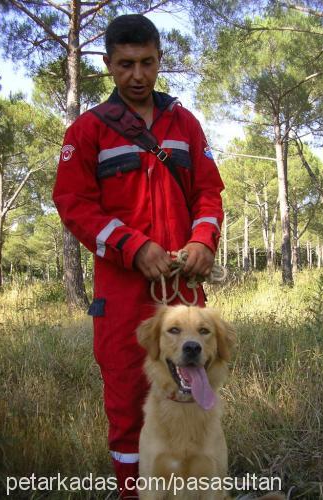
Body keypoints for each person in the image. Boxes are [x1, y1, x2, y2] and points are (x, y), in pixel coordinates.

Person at [53, 14, 224, 499]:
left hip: (184, 295)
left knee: (192, 400)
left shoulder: (184, 123)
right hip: (122, 298)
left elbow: (209, 193)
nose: (137, 76)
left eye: (147, 63)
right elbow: (73, 204)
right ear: (107, 64)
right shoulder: (87, 132)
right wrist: (133, 246)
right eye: (125, 64)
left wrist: (202, 241)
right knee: (129, 405)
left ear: (158, 60)